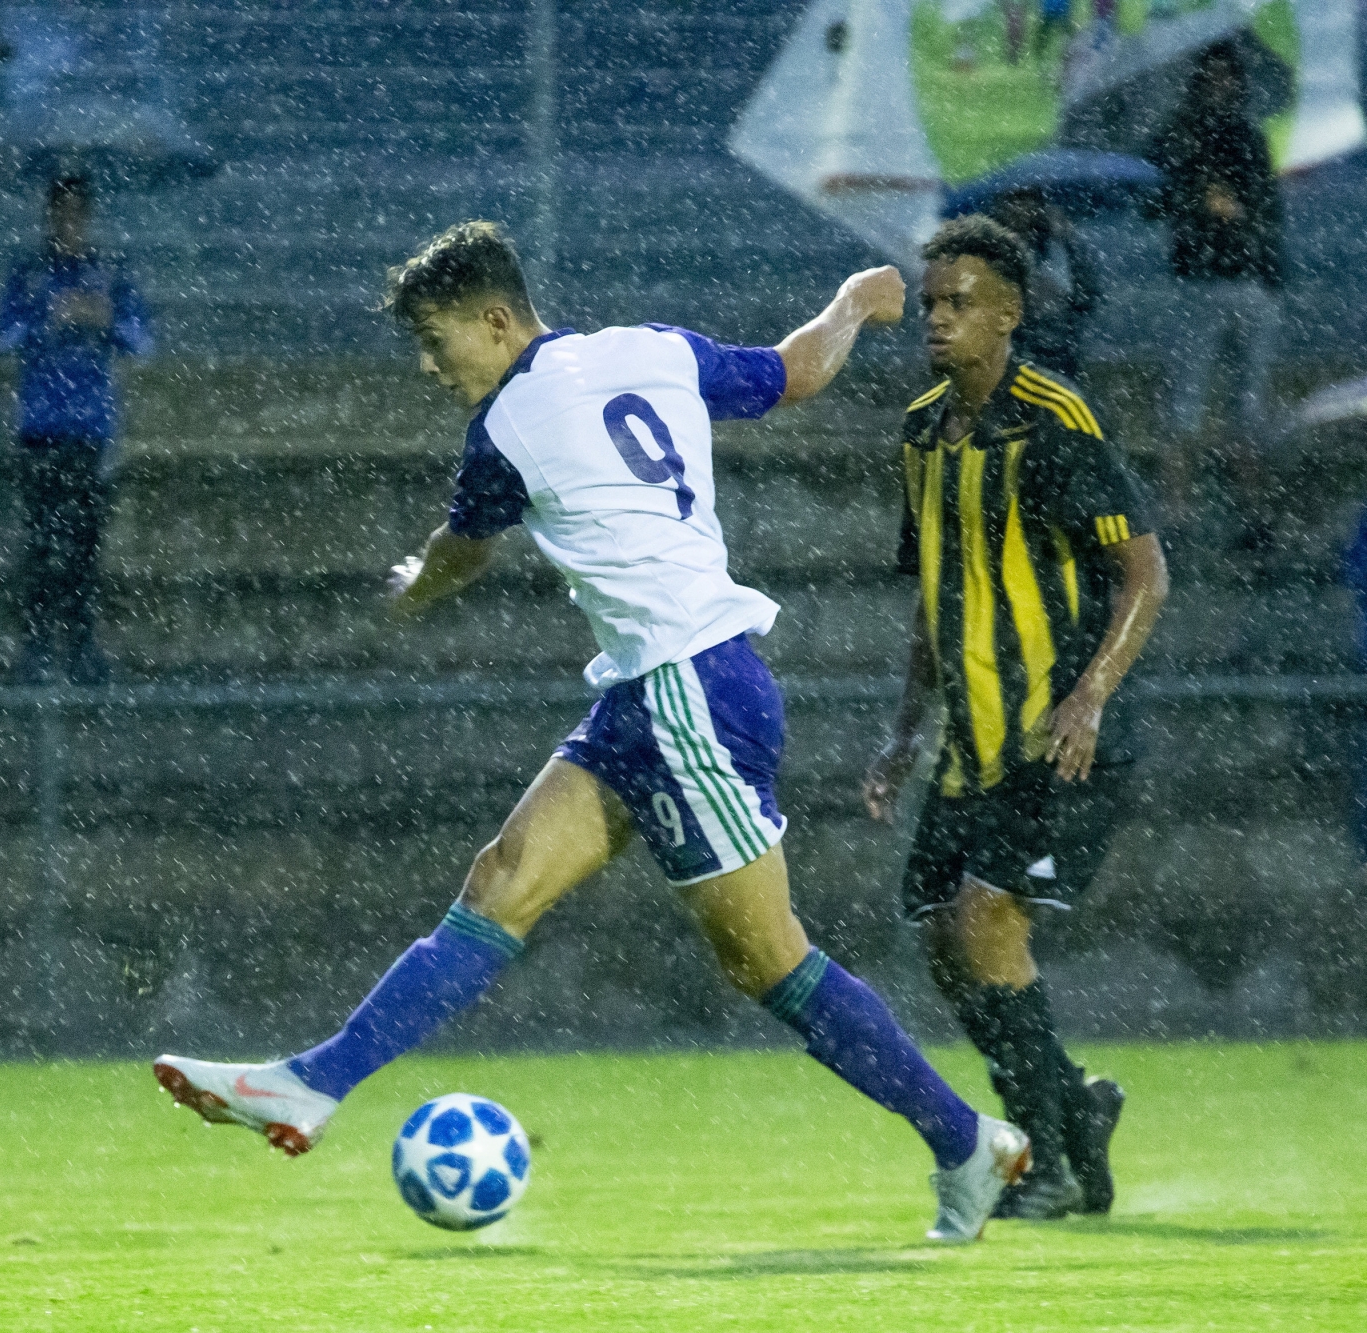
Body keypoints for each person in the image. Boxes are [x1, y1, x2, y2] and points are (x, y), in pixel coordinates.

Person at [153, 221, 1031, 1245]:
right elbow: (793, 374)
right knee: (499, 882)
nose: (431, 369)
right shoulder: (647, 348)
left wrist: (406, 587)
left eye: (438, 344)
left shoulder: (506, 427)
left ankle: (967, 1140)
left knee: (770, 963)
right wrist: (851, 304)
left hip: (683, 690)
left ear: (494, 320)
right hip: (654, 693)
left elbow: (462, 552)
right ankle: (312, 1081)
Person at [862, 216, 1168, 1219]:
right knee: (945, 943)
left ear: (1008, 312)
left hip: (1055, 737)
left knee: (982, 920)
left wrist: (1088, 694)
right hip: (966, 747)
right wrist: (902, 730)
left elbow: (1144, 571)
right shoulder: (920, 430)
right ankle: (1071, 1110)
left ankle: (1043, 1165)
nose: (936, 319)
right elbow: (933, 593)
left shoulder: (1053, 419)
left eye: (959, 304)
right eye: (930, 303)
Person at [0, 175, 151, 685]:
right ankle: (37, 646)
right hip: (39, 424)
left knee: (85, 544)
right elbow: (2, 337)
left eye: (77, 215)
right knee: (40, 542)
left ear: (88, 218)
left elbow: (143, 341)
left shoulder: (111, 276)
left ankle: (82, 645)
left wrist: (106, 321)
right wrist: (49, 317)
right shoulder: (28, 275)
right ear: (48, 218)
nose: (68, 226)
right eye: (59, 215)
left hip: (91, 426)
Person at [1145, 42, 1286, 531]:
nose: (1220, 87)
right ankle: (1178, 517)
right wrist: (1192, 194)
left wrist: (1234, 213)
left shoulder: (1247, 137)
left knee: (1246, 406)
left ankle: (1254, 517)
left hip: (1246, 282)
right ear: (1199, 83)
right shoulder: (1175, 137)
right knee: (1185, 403)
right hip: (1202, 283)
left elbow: (1265, 210)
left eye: (1228, 78)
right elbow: (1149, 199)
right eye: (1212, 78)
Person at [985, 187, 1101, 379]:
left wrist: (1068, 240)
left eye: (1028, 198)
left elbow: (1087, 297)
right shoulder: (987, 249)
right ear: (999, 205)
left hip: (1058, 353)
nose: (1020, 208)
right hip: (1008, 353)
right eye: (1013, 200)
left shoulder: (1056, 244)